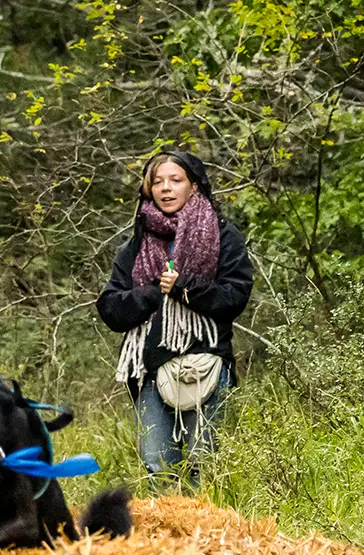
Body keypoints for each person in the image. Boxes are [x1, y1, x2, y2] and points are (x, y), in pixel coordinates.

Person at [95, 150, 253, 482]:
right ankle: (166, 535)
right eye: (157, 181)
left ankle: (208, 534)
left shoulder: (224, 236)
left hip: (207, 365)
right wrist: (152, 292)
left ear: (194, 186)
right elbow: (110, 308)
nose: (166, 188)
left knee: (204, 466)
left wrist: (186, 287)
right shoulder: (134, 247)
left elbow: (235, 297)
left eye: (175, 180)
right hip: (150, 369)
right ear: (148, 189)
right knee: (158, 468)